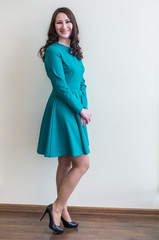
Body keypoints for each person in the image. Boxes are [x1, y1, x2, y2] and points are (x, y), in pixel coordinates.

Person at [37, 7, 92, 234]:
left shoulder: (74, 51)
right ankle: (57, 207)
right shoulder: (53, 51)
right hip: (62, 110)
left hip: (76, 110)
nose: (64, 26)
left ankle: (63, 209)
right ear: (54, 27)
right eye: (59, 23)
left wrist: (84, 108)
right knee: (83, 163)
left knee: (66, 163)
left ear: (73, 24)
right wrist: (79, 109)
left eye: (67, 22)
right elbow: (60, 87)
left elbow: (81, 82)